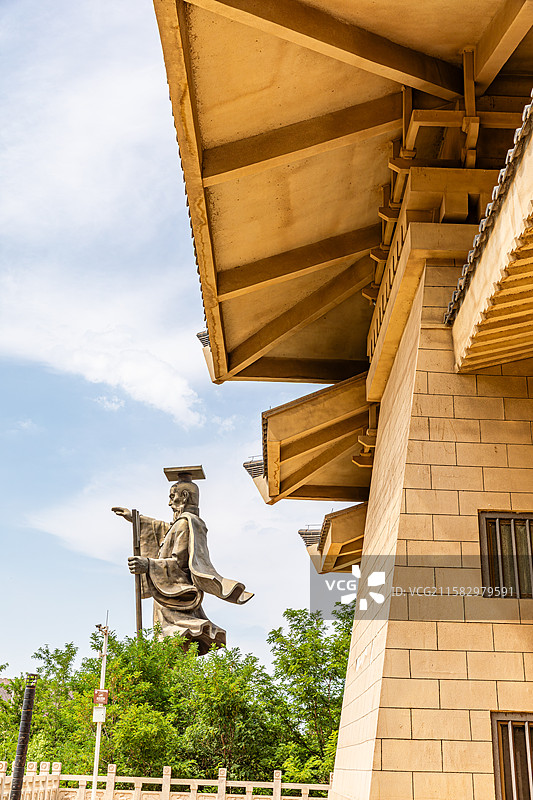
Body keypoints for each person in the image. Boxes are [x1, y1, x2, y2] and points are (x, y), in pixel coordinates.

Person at [112, 474, 253, 655]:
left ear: (184, 496)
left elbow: (179, 563)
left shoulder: (188, 523)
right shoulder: (182, 523)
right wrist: (137, 519)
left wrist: (148, 564)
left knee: (175, 641)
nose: (169, 503)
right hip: (166, 596)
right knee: (164, 643)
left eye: (172, 497)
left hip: (175, 594)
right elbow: (165, 528)